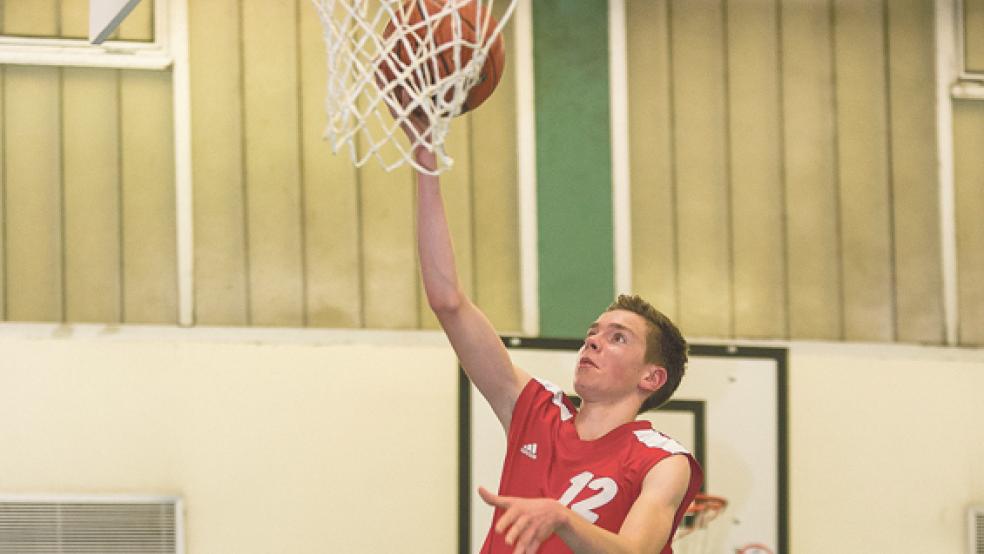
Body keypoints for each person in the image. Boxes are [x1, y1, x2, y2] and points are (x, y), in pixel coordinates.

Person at [399, 100, 701, 553]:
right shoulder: (536, 413)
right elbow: (448, 302)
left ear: (650, 377)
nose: (594, 342)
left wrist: (562, 517)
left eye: (617, 337)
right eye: (593, 332)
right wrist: (425, 163)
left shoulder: (663, 460)